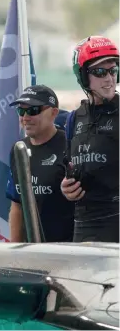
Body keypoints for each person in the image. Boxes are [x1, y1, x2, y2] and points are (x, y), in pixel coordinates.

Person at [61, 36, 119, 243]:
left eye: (113, 71)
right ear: (84, 77)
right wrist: (66, 187)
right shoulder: (74, 118)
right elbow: (70, 164)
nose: (109, 79)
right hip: (84, 225)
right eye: (100, 72)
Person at [6, 85, 74, 243]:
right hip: (34, 252)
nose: (25, 117)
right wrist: (15, 253)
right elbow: (17, 205)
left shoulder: (70, 147)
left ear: (54, 113)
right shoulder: (18, 149)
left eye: (33, 110)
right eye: (21, 111)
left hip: (69, 250)